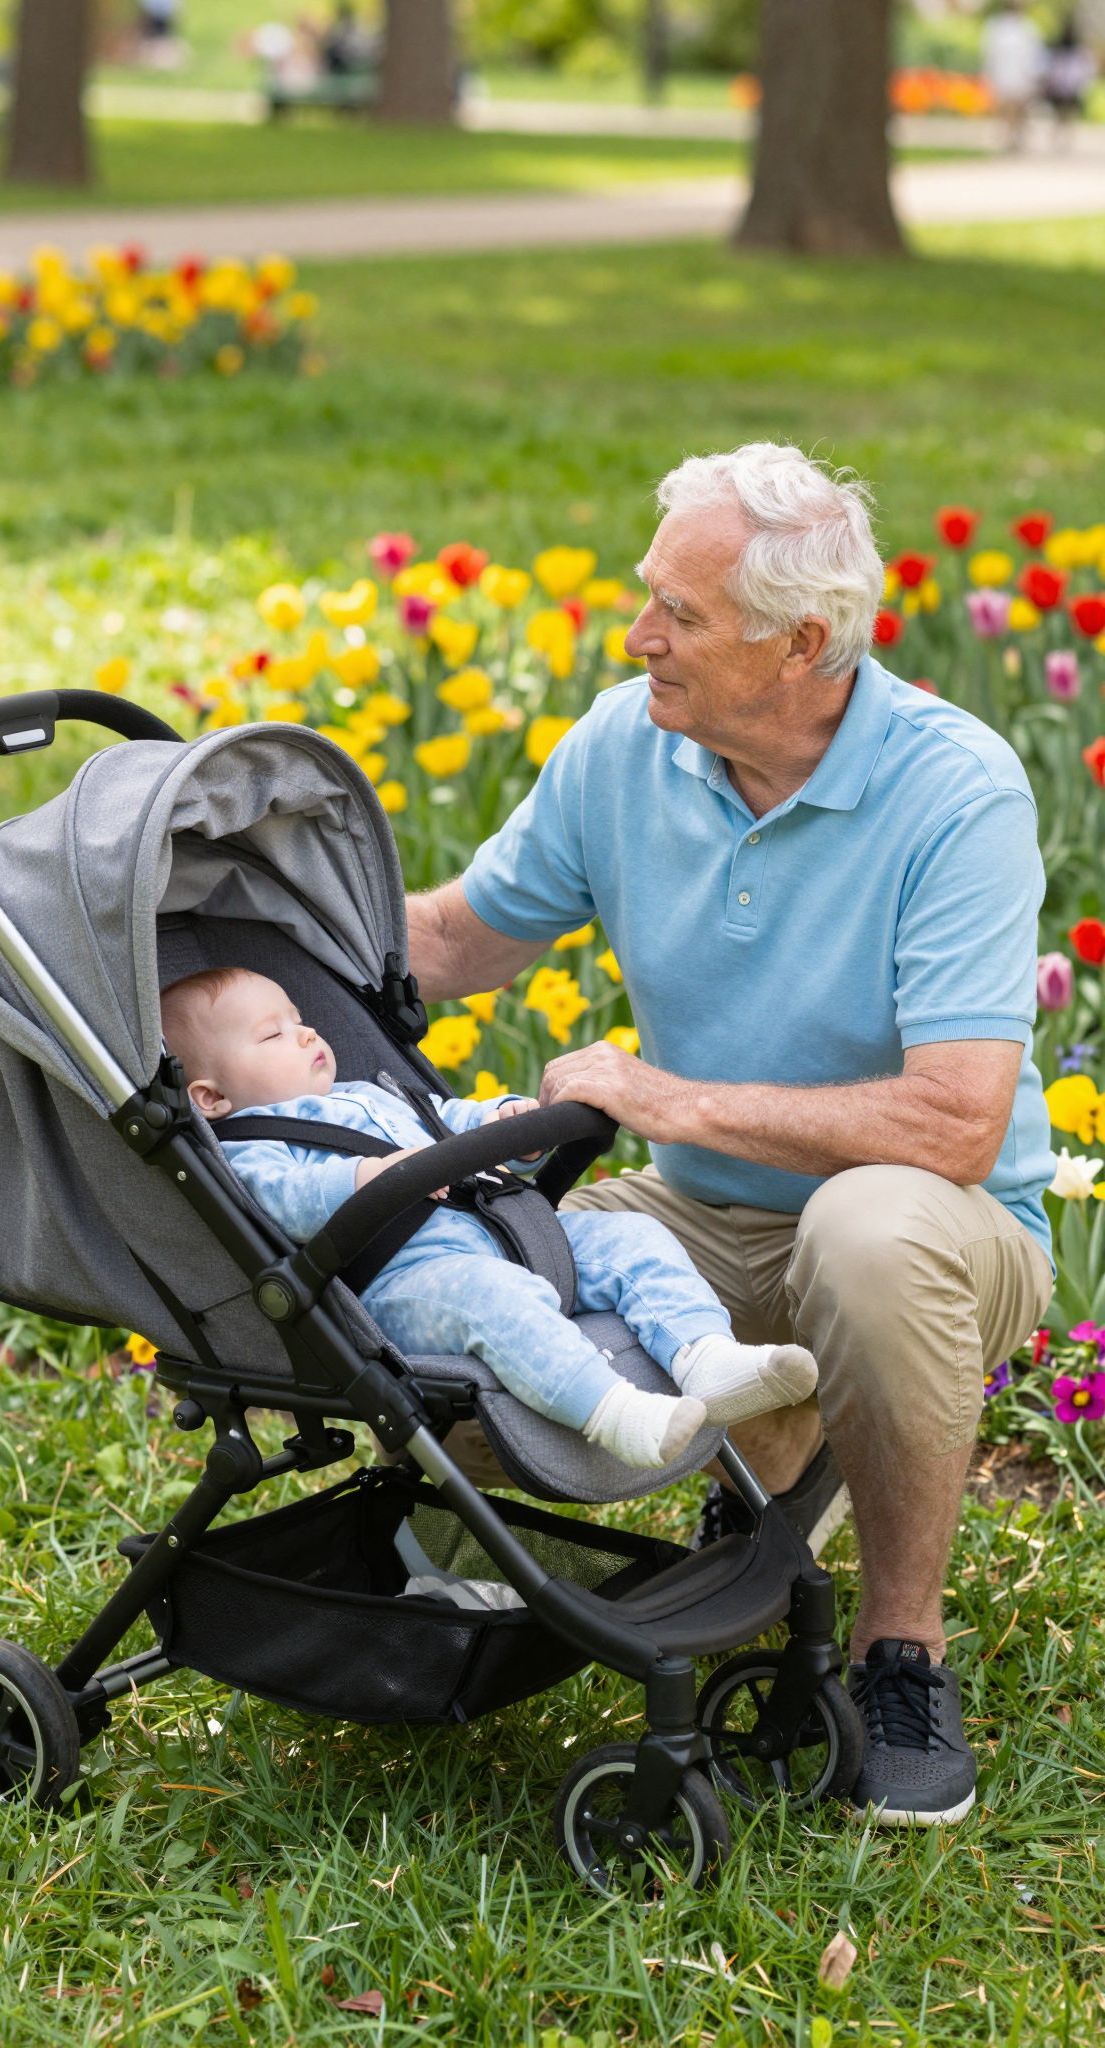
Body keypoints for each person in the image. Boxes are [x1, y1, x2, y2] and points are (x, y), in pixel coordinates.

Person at [404, 442, 1055, 1827]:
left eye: (680, 615)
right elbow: (456, 940)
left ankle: (900, 1652)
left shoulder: (958, 791)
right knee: (467, 1256)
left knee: (864, 1237)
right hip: (701, 1219)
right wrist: (254, 917)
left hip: (939, 1224)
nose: (639, 635)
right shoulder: (625, 747)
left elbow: (953, 1121)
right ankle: (502, 1571)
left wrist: (671, 1098)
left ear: (802, 643)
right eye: (648, 597)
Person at [158, 966, 818, 1471]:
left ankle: (704, 1356)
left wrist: (506, 1122)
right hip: (408, 1281)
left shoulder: (364, 1096)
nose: (305, 1033)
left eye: (300, 1019)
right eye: (273, 1033)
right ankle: (614, 1412)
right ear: (210, 1097)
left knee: (632, 1238)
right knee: (496, 1299)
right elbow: (286, 1199)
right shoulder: (248, 1149)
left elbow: (447, 1119)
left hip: (505, 1234)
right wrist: (373, 1176)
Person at [982, 1, 1046, 150]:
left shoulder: (1027, 28)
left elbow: (1034, 55)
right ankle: (1009, 136)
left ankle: (1014, 136)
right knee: (1007, 107)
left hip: (1020, 75)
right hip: (1006, 73)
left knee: (1017, 107)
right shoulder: (998, 27)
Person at [1042, 18, 1096, 137]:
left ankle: (1062, 132)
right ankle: (1063, 133)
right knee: (1066, 112)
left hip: (1065, 86)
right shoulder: (1069, 50)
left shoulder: (1074, 50)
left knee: (1063, 112)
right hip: (1065, 86)